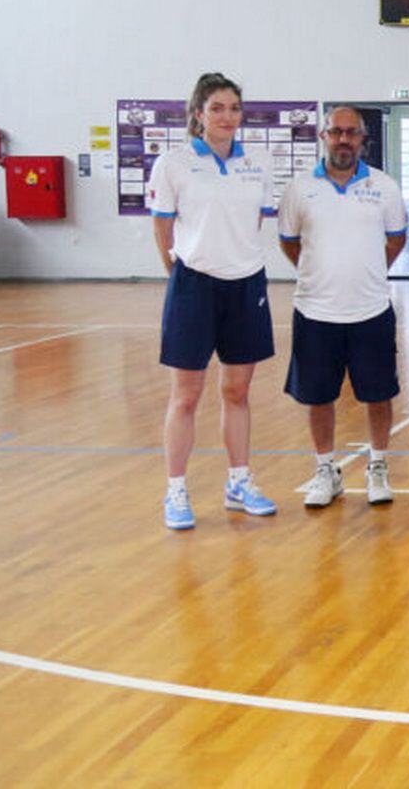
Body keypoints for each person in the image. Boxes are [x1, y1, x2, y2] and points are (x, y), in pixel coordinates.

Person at [148, 72, 279, 530]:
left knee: (237, 392)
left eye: (234, 108)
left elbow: (254, 221)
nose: (227, 116)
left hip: (246, 285)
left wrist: (234, 259)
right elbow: (163, 227)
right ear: (198, 114)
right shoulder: (173, 163)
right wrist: (181, 275)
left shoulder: (258, 163)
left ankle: (239, 482)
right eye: (217, 108)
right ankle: (175, 490)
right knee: (186, 396)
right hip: (193, 286)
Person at [276, 106, 408, 508]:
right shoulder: (299, 189)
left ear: (363, 139)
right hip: (315, 312)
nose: (343, 140)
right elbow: (289, 242)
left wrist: (368, 271)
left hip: (371, 310)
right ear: (323, 136)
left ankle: (378, 466)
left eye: (351, 133)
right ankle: (326, 470)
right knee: (318, 397)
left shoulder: (384, 186)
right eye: (336, 132)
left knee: (378, 395)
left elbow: (396, 239)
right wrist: (319, 273)